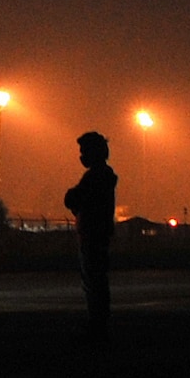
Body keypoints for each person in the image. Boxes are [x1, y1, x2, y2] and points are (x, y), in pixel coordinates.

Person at [64, 131, 117, 344]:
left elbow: (73, 198)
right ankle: (98, 323)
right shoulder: (103, 176)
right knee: (96, 281)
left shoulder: (95, 177)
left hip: (93, 234)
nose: (82, 156)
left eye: (84, 151)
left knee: (94, 282)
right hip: (96, 233)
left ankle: (97, 325)